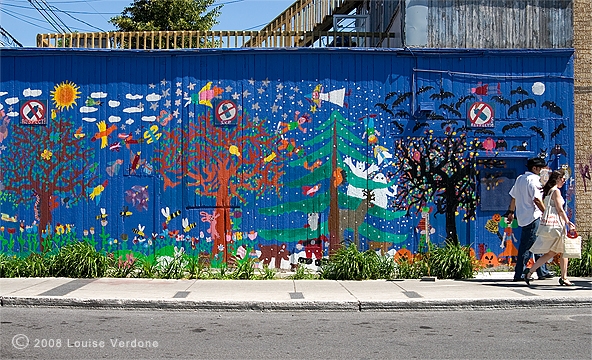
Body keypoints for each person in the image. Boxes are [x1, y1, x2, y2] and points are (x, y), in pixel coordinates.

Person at [523, 169, 576, 286]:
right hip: (558, 224)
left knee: (552, 253)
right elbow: (560, 210)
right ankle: (564, 277)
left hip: (551, 224)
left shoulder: (548, 191)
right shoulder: (556, 191)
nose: (563, 181)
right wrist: (568, 222)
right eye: (562, 179)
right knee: (564, 252)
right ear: (557, 179)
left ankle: (530, 271)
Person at [507, 157, 553, 282]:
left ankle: (542, 270)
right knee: (527, 246)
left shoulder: (520, 179)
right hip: (533, 217)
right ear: (535, 168)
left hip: (523, 217)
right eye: (541, 168)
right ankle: (520, 273)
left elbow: (513, 197)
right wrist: (547, 213)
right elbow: (537, 199)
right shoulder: (534, 181)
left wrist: (511, 212)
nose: (543, 170)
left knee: (538, 244)